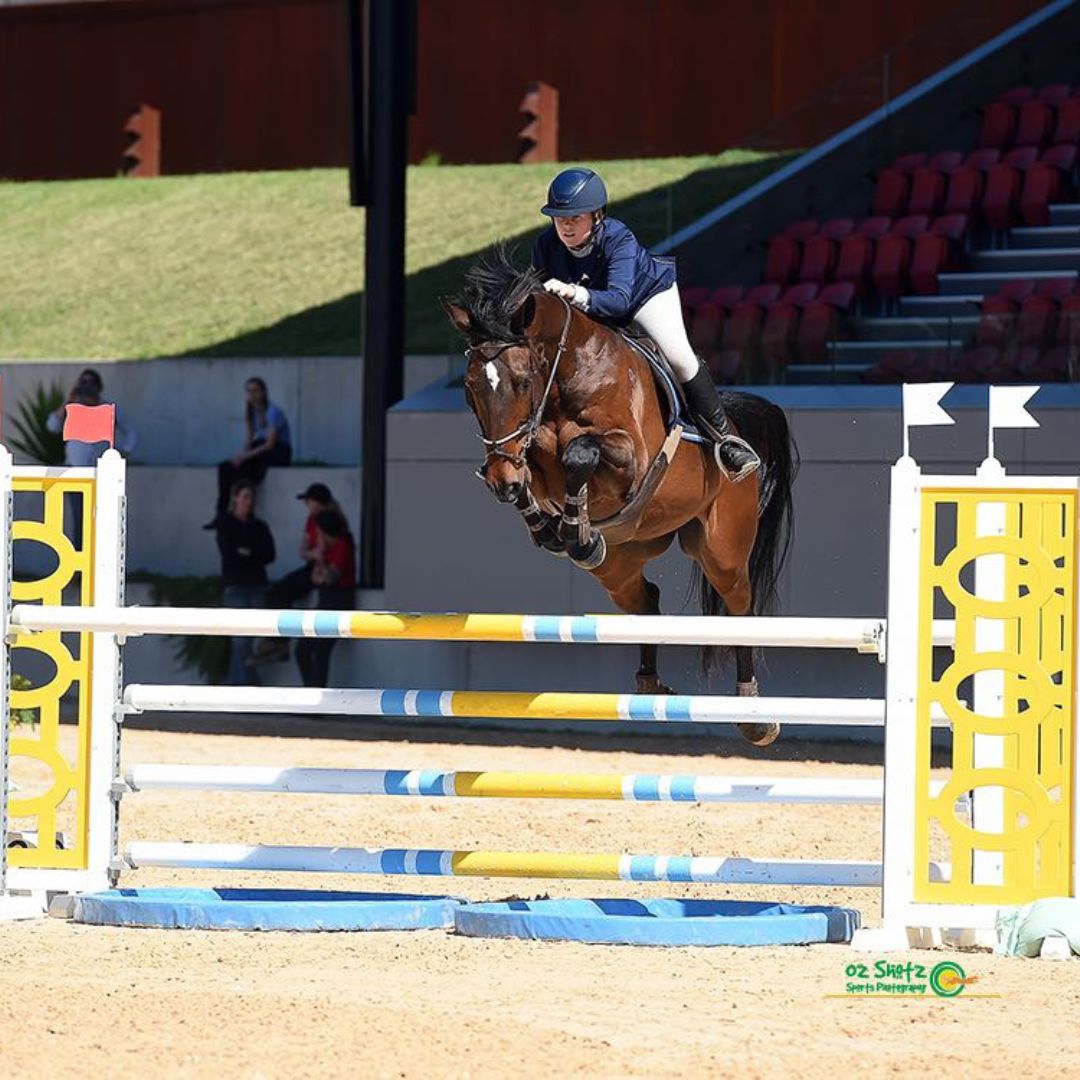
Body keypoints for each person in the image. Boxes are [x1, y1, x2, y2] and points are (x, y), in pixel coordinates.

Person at [532, 167, 760, 482]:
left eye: (575, 218)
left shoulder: (617, 238)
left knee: (678, 356)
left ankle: (726, 441)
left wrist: (574, 292)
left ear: (598, 215)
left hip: (644, 297)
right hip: (590, 307)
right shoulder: (546, 245)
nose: (566, 226)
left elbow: (620, 300)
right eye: (560, 219)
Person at [250, 482, 346, 665]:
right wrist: (315, 554)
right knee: (279, 590)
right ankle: (279, 641)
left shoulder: (332, 522)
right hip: (314, 566)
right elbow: (304, 550)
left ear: (318, 502)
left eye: (309, 501)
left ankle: (280, 642)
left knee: (285, 592)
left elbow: (334, 552)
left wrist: (319, 558)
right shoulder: (312, 519)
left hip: (327, 571)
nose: (307, 505)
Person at [205, 377, 292, 528]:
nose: (252, 395)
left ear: (264, 392)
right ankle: (221, 512)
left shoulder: (273, 412)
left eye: (256, 391)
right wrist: (241, 456)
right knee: (226, 468)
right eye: (249, 391)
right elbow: (250, 439)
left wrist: (245, 457)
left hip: (278, 450)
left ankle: (244, 510)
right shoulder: (251, 411)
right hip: (258, 448)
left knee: (249, 468)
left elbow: (269, 444)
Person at [215, 481, 276, 685]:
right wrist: (251, 554)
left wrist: (247, 553)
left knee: (252, 637)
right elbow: (230, 554)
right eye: (245, 497)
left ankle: (240, 687)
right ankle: (243, 687)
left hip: (257, 585)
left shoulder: (259, 526)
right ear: (236, 498)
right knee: (240, 639)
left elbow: (269, 554)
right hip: (235, 586)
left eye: (251, 497)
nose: (249, 502)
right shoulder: (226, 524)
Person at [294, 509, 356, 688]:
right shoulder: (327, 550)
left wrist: (320, 561)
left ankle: (317, 699)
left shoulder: (343, 545)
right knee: (302, 649)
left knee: (321, 650)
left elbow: (330, 577)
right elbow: (316, 578)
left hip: (339, 605)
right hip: (324, 603)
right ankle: (309, 690)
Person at [47, 368, 139, 466]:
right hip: (74, 468)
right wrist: (68, 401)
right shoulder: (71, 408)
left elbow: (132, 431)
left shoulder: (108, 409)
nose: (87, 387)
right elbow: (52, 427)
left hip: (100, 466)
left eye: (91, 383)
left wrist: (125, 452)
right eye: (84, 382)